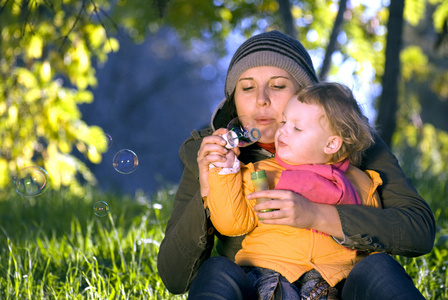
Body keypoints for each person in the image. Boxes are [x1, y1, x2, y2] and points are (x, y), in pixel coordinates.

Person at [157, 30, 435, 299]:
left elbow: (417, 230)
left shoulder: (354, 141)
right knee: (218, 269)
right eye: (247, 87)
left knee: (378, 267)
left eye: (278, 86)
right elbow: (174, 278)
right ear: (234, 99)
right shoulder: (215, 155)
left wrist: (316, 215)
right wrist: (208, 190)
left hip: (339, 285)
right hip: (256, 288)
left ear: (306, 95)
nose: (261, 99)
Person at [206, 82, 382, 299]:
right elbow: (230, 223)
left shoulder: (361, 183)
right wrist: (224, 170)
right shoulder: (262, 171)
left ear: (331, 144)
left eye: (296, 128)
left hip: (332, 281)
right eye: (284, 122)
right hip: (267, 275)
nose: (282, 131)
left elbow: (374, 242)